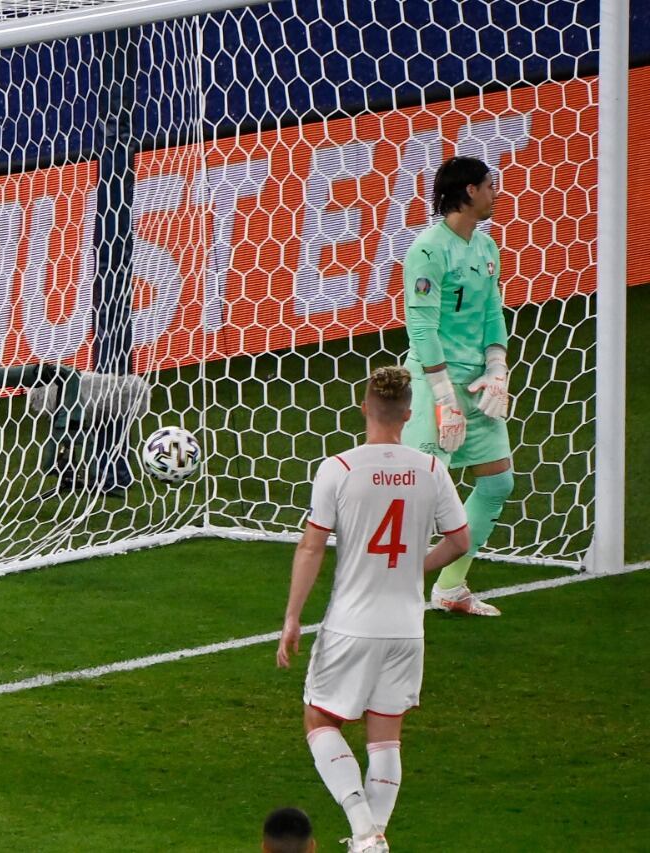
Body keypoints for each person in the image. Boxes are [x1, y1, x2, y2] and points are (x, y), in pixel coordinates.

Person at [277, 366, 471, 853]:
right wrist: (412, 572)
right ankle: (375, 842)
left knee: (320, 720)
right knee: (386, 738)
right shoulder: (431, 470)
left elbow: (311, 547)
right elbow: (460, 541)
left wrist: (292, 618)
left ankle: (363, 828)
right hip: (406, 628)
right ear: (408, 415)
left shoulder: (339, 469)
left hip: (350, 625)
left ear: (364, 407)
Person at [401, 155, 514, 616]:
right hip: (435, 385)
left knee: (497, 482)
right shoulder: (428, 251)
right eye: (489, 185)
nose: (495, 193)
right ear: (468, 191)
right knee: (417, 494)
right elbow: (422, 328)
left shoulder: (486, 248)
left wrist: (497, 366)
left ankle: (450, 586)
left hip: (476, 386)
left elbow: (492, 312)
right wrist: (444, 398)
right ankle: (385, 586)